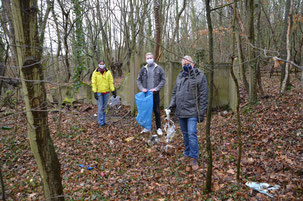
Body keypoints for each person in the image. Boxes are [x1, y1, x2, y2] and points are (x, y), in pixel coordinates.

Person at [168, 56, 208, 171]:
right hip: (181, 111)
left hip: (193, 112)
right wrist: (171, 105)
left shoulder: (200, 76)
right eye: (183, 63)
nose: (185, 65)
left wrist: (201, 112)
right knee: (185, 134)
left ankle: (194, 157)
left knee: (192, 134)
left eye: (187, 63)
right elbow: (175, 92)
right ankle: (187, 153)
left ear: (193, 64)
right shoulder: (180, 76)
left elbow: (204, 95)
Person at [137, 52, 166, 135]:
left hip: (155, 94)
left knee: (156, 111)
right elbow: (138, 80)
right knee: (146, 112)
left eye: (150, 58)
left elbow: (163, 80)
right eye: (147, 58)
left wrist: (156, 88)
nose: (149, 59)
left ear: (153, 58)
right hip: (146, 95)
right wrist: (142, 88)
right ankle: (146, 128)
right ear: (146, 60)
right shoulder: (143, 69)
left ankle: (159, 128)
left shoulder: (159, 68)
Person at [92, 60, 116, 128]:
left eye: (103, 64)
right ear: (98, 65)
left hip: (106, 92)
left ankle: (104, 121)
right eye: (100, 64)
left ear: (105, 65)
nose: (102, 65)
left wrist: (113, 90)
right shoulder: (95, 73)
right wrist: (95, 92)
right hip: (99, 92)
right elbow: (94, 83)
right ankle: (100, 122)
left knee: (104, 107)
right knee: (100, 107)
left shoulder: (108, 72)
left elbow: (110, 82)